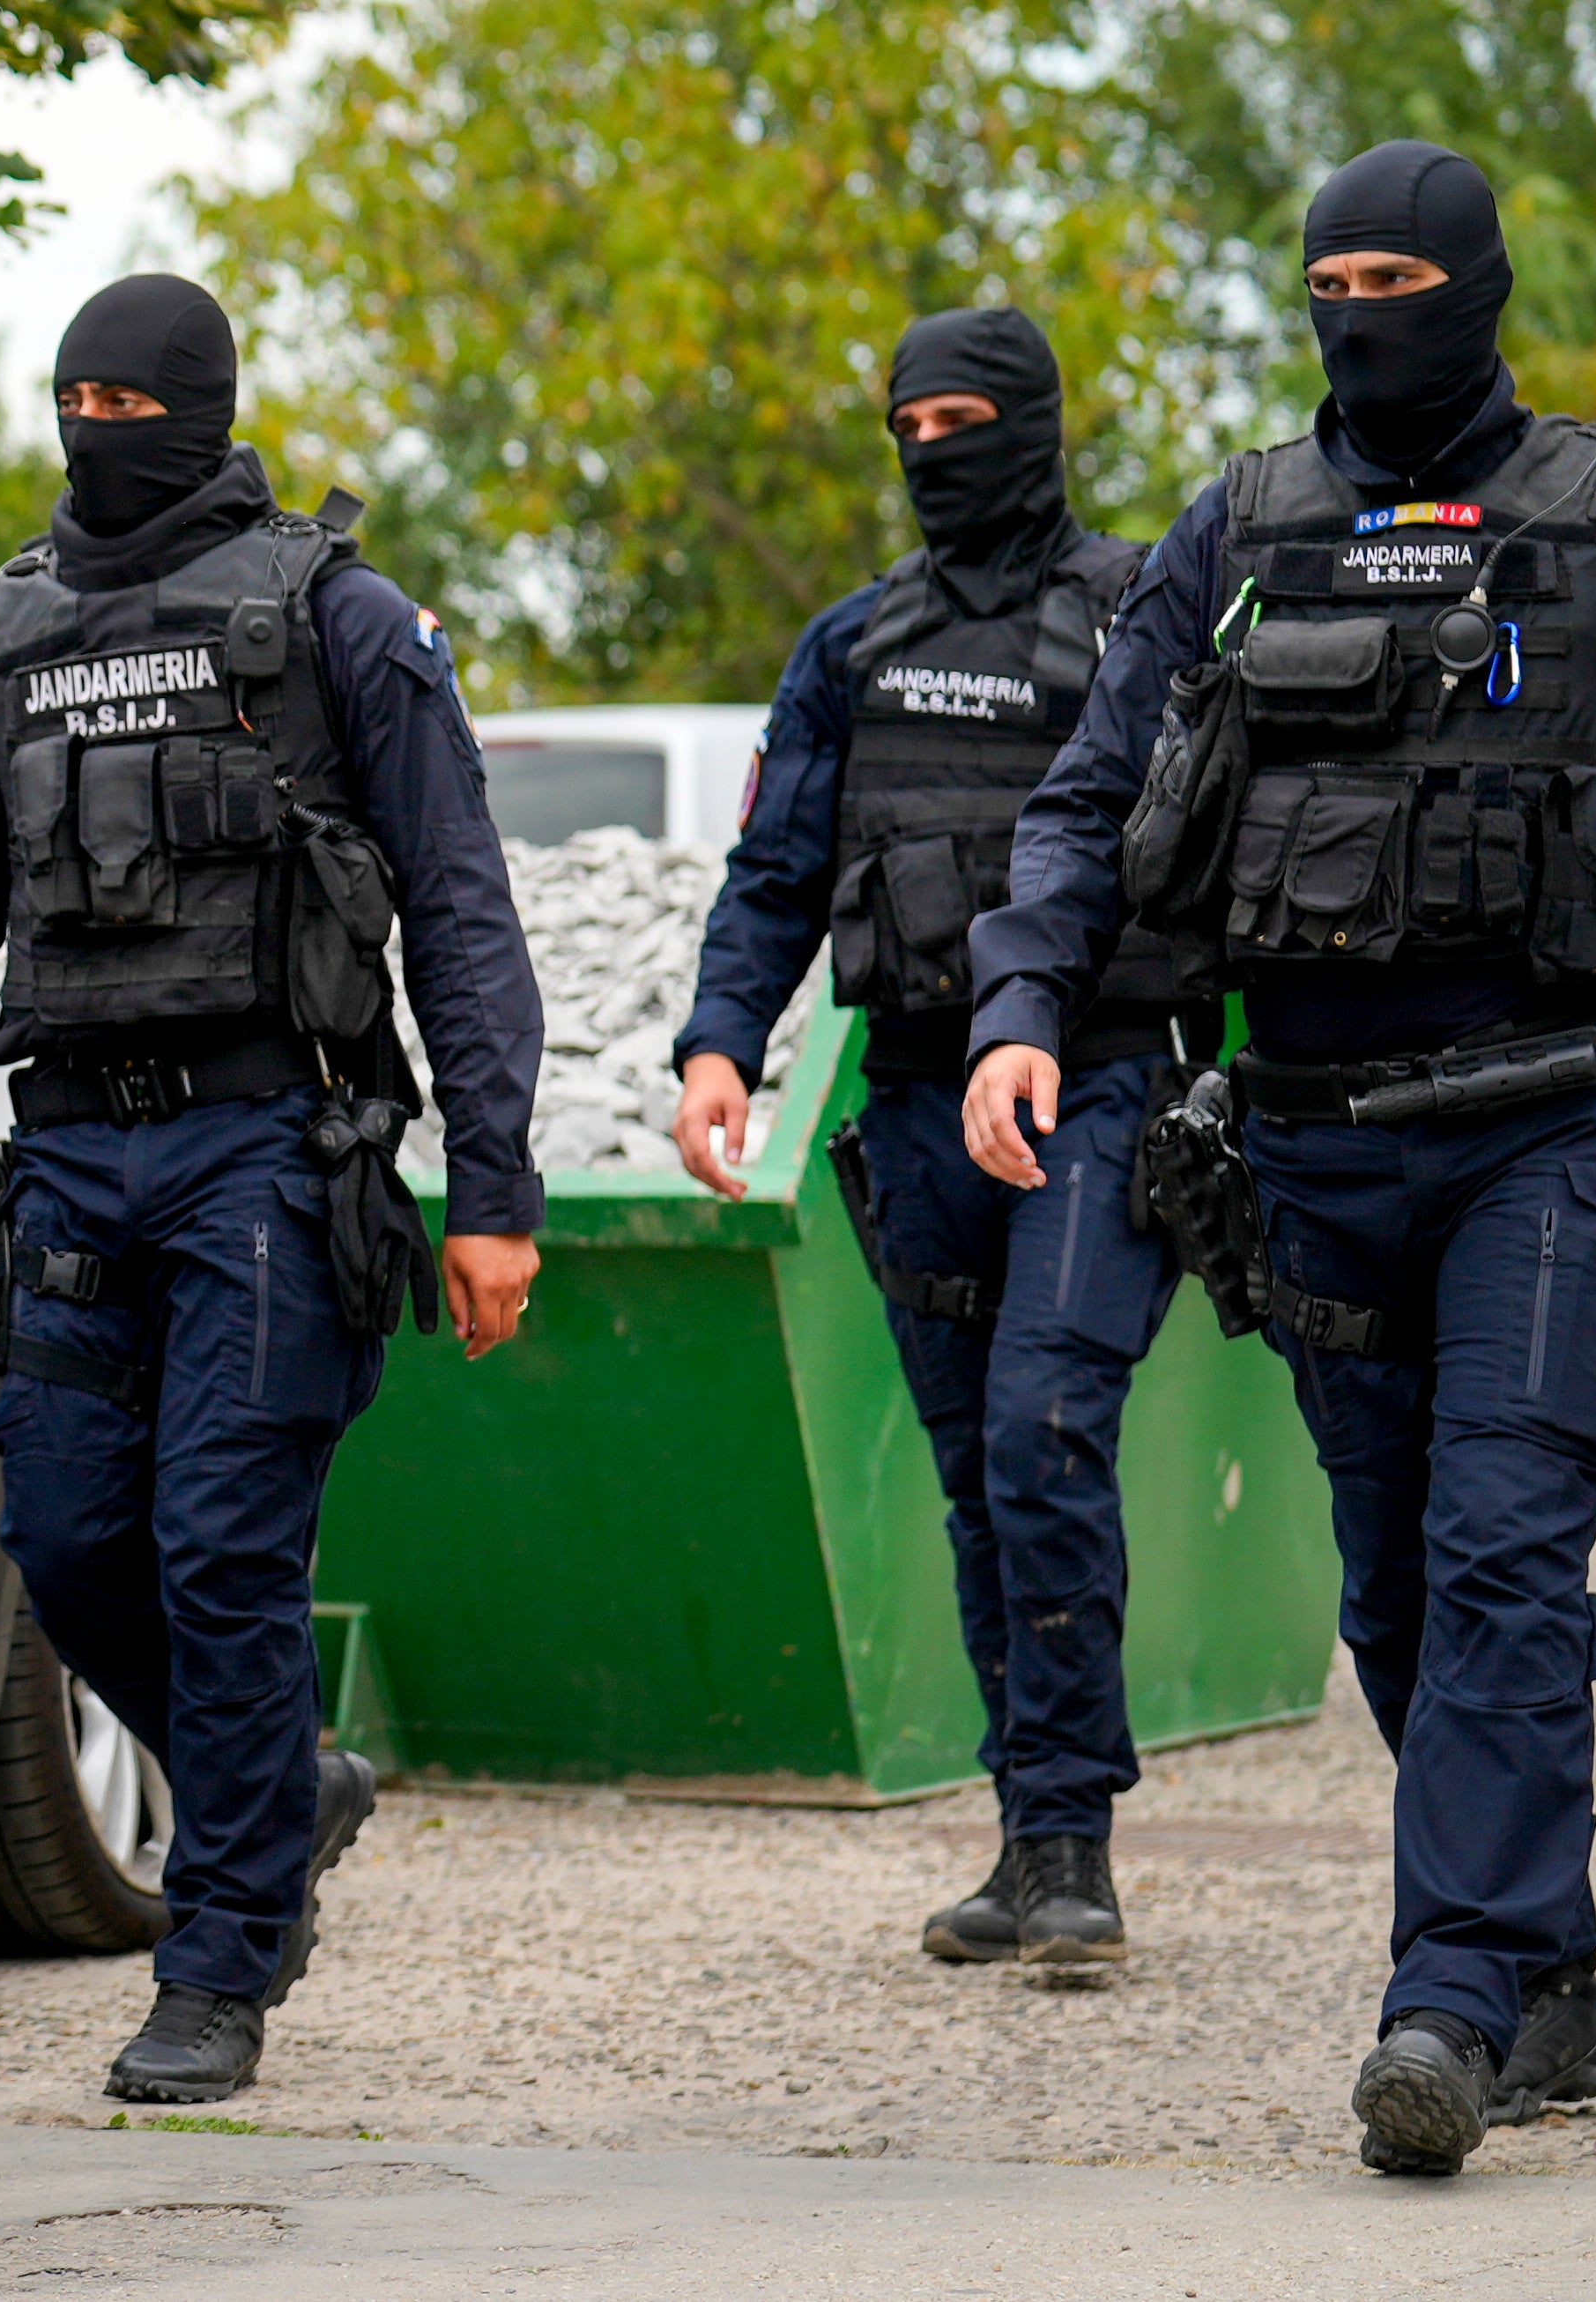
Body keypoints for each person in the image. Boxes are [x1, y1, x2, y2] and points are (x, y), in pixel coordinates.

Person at [961, 140, 1596, 2175]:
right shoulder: (1242, 529)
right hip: (1311, 1144)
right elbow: (1087, 796)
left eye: (1398, 273)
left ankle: (1447, 2003)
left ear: (1475, 284)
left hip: (1555, 1120)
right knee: (1395, 1587)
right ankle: (1549, 1977)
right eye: (1331, 276)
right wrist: (1023, 1006)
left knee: (1497, 1554)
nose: (1359, 308)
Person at [0, 274, 546, 2103]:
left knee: (220, 1550)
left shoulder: (334, 617)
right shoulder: (6, 632)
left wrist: (494, 1186)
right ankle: (286, 1786)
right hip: (66, 1151)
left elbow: (460, 907)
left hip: (269, 1149)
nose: (101, 426)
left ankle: (216, 1958)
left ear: (202, 408)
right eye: (76, 395)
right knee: (59, 1540)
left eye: (136, 398)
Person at [671, 309, 1219, 1968]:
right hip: (911, 1095)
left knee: (1045, 1427)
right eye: (907, 422)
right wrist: (718, 1044)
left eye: (964, 417)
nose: (933, 449)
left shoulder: (1140, 617)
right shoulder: (853, 646)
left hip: (1098, 1082)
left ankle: (1074, 1849)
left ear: (1036, 423)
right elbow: (772, 870)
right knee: (986, 1477)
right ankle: (1032, 1836)